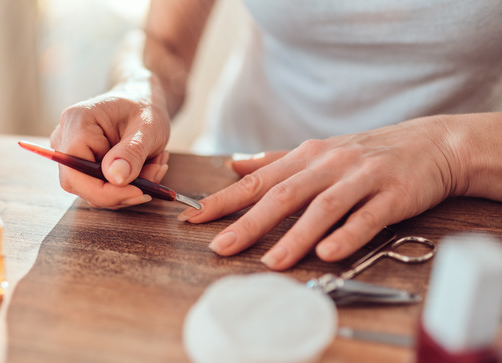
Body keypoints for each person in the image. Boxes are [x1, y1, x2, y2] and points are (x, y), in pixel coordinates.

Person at [48, 0, 502, 270]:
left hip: (452, 217)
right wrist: (138, 85)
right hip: (229, 176)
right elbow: (165, 41)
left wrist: (447, 151)